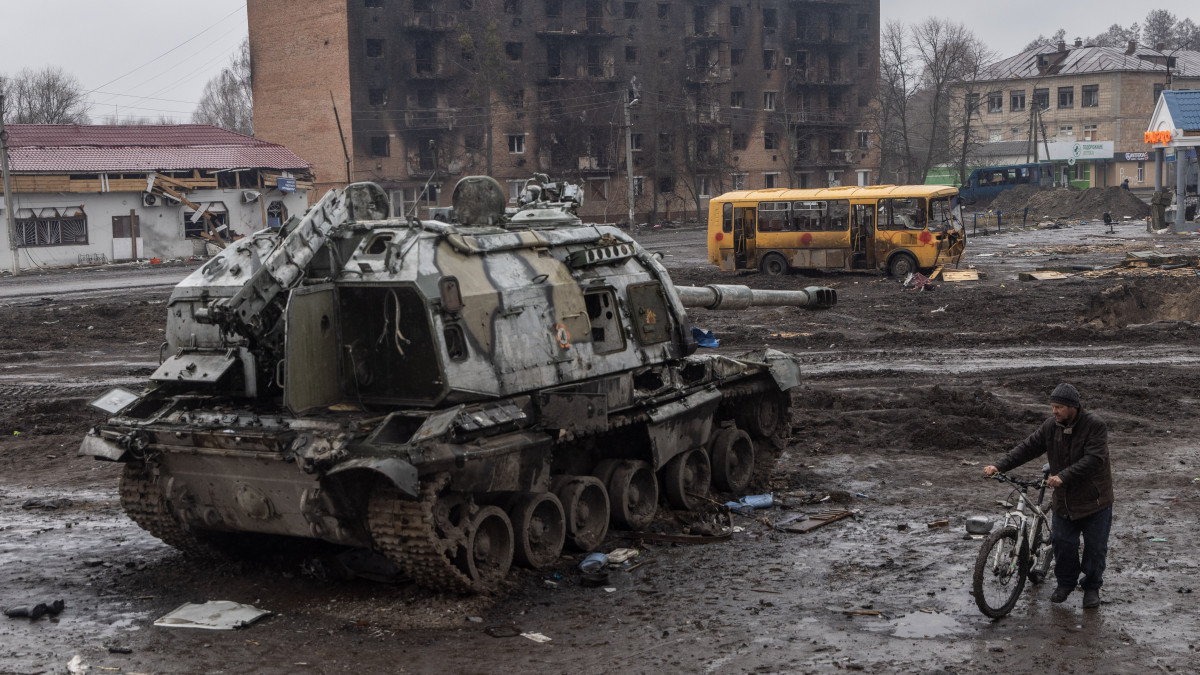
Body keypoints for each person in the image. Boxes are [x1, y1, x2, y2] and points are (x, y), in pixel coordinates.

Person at [983, 383, 1113, 609]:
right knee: (1063, 545)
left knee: (1095, 548)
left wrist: (1063, 476)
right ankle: (1065, 584)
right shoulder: (1050, 427)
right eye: (1052, 407)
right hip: (1064, 500)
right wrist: (999, 466)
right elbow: (1027, 448)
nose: (1054, 411)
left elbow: (1094, 459)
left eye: (1059, 407)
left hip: (1095, 501)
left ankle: (1092, 587)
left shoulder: (1094, 426)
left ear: (1073, 406)